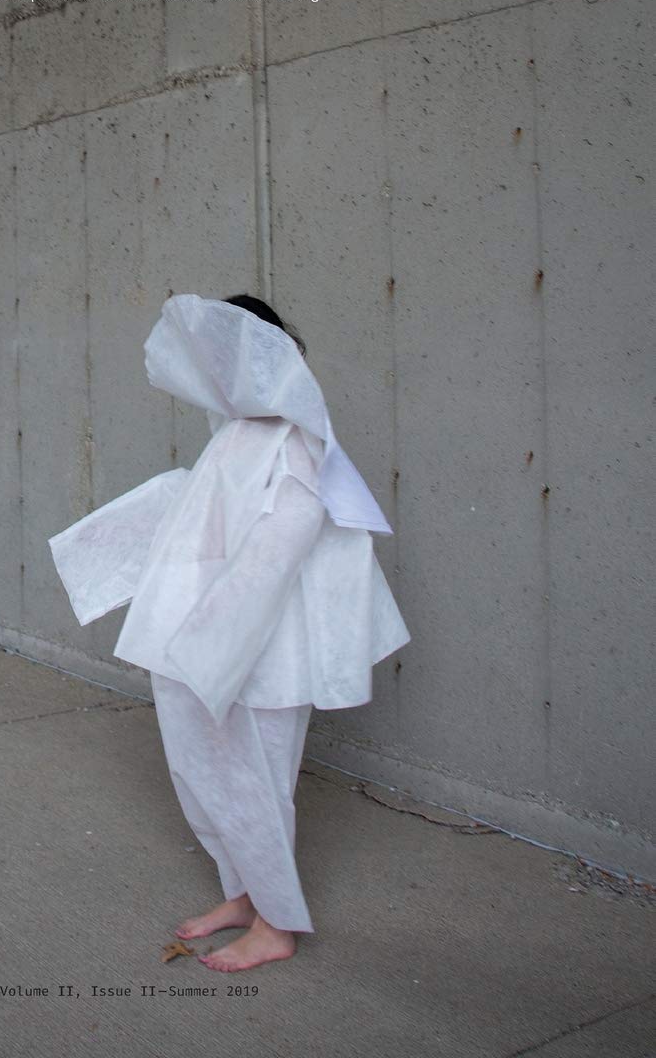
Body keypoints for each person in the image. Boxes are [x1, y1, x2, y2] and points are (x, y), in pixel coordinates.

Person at [49, 293, 410, 972]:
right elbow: (196, 516)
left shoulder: (295, 442)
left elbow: (279, 549)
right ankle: (244, 896)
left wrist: (212, 644)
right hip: (197, 635)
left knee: (255, 782)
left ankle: (276, 924)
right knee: (201, 770)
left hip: (263, 651)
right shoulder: (237, 432)